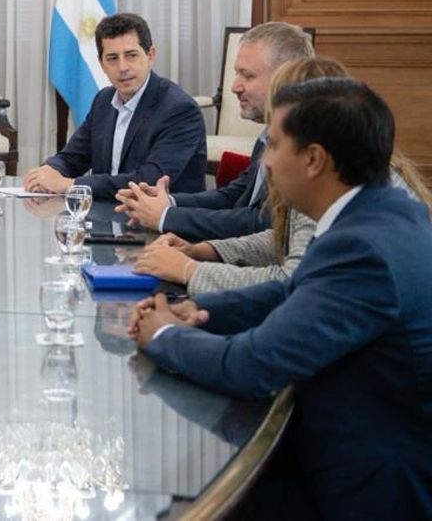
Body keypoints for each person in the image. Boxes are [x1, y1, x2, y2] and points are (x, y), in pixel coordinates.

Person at [128, 78, 432, 519]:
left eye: (272, 146)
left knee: (173, 499)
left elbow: (251, 365)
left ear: (313, 159)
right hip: (344, 447)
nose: (264, 162)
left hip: (366, 486)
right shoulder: (388, 211)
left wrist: (164, 334)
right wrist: (194, 309)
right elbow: (293, 291)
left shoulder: (362, 250)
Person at [133, 57, 432, 294]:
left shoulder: (338, 186)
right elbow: (280, 238)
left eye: (275, 141)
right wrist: (205, 250)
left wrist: (188, 271)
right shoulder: (336, 173)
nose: (268, 157)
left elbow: (291, 285)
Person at [114, 21, 314, 241]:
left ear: (284, 77)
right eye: (236, 74)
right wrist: (167, 202)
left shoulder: (303, 144)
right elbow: (235, 195)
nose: (234, 87)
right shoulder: (269, 132)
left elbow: (261, 223)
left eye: (247, 76)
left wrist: (166, 217)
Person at [23, 13, 206, 200]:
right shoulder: (103, 101)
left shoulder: (180, 110)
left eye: (131, 55)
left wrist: (71, 185)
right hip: (107, 217)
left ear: (150, 56)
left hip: (165, 224)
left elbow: (148, 181)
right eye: (112, 58)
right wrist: (47, 172)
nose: (122, 67)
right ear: (101, 64)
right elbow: (72, 157)